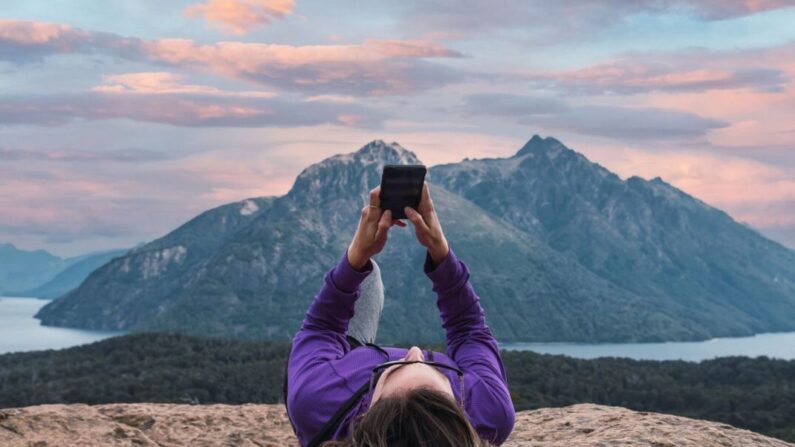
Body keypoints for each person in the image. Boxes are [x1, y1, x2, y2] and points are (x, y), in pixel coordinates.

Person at [285, 182, 515, 446]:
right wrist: (441, 253)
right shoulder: (491, 413)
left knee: (368, 276)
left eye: (392, 370)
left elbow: (321, 328)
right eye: (438, 371)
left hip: (341, 363)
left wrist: (355, 256)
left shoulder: (318, 400)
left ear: (367, 411)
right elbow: (469, 330)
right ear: (458, 413)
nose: (415, 351)